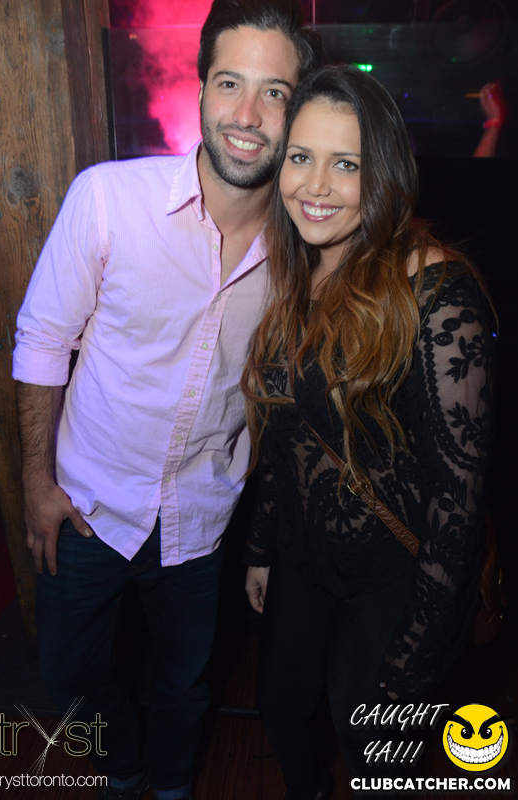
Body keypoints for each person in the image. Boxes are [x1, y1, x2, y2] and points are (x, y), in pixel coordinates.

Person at [12, 2, 320, 799]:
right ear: (201, 87)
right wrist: (37, 482)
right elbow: (42, 340)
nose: (247, 115)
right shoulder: (108, 199)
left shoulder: (303, 253)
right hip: (86, 504)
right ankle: (123, 768)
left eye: (275, 92)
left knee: (185, 679)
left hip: (200, 517)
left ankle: (174, 785)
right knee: (69, 675)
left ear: (297, 110)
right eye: (230, 83)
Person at [242, 65, 496, 800]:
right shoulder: (297, 268)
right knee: (280, 709)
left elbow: (458, 498)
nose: (315, 186)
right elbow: (286, 436)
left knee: (374, 749)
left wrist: (418, 647)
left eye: (346, 164)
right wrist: (261, 550)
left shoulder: (436, 292)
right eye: (301, 157)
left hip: (395, 572)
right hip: (305, 555)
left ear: (381, 172)